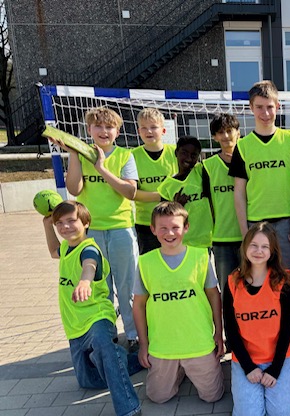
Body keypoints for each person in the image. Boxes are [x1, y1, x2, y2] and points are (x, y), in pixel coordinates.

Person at [42, 200, 142, 416]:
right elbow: (54, 251)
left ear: (86, 223)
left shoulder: (89, 248)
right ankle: (135, 360)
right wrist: (47, 224)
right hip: (75, 324)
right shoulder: (66, 248)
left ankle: (129, 411)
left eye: (71, 221)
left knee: (106, 351)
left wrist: (85, 281)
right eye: (59, 223)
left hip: (97, 317)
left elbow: (89, 264)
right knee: (89, 380)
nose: (65, 227)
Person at [54, 107, 140, 351]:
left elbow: (130, 191)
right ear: (89, 129)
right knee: (101, 287)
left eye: (109, 127)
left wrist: (102, 167)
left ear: (118, 131)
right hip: (91, 233)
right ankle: (107, 335)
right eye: (98, 126)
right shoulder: (83, 156)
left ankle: (133, 335)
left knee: (127, 286)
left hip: (121, 228)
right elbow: (75, 189)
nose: (104, 131)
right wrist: (74, 154)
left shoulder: (125, 155)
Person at [133, 202, 224, 404]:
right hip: (163, 345)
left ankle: (187, 367)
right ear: (153, 229)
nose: (170, 233)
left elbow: (214, 295)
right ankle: (179, 369)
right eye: (163, 228)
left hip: (198, 343)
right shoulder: (145, 262)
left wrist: (218, 333)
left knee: (213, 397)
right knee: (158, 397)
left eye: (175, 227)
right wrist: (144, 344)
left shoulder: (200, 256)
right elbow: (138, 305)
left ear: (186, 227)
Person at [223, 222, 290, 416]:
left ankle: (278, 395)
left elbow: (287, 329)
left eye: (265, 247)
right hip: (247, 359)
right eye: (254, 245)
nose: (259, 251)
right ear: (245, 247)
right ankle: (255, 396)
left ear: (272, 251)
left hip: (279, 357)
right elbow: (231, 330)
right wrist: (248, 367)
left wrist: (275, 369)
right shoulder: (233, 282)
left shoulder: (284, 281)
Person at [228, 80, 290, 270]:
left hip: (286, 222)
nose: (265, 113)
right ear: (251, 108)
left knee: (288, 278)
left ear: (277, 106)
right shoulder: (243, 146)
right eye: (259, 107)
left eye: (270, 107)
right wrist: (244, 230)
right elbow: (239, 192)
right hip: (255, 222)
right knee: (258, 278)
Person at [203, 113, 243, 294]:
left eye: (229, 131)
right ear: (214, 137)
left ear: (238, 133)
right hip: (221, 239)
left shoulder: (248, 160)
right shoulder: (208, 166)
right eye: (221, 132)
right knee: (228, 292)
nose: (226, 136)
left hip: (248, 235)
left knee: (251, 288)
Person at [131, 108, 178, 254]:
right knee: (150, 264)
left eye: (153, 127)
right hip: (146, 223)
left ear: (163, 130)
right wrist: (161, 196)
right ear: (138, 131)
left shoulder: (176, 153)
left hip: (174, 221)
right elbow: (132, 193)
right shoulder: (132, 156)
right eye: (144, 128)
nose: (149, 131)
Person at [157, 136, 214, 249]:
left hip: (208, 240)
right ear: (176, 153)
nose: (189, 158)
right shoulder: (167, 186)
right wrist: (176, 206)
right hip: (183, 243)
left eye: (193, 155)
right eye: (184, 153)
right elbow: (163, 218)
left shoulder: (202, 172)